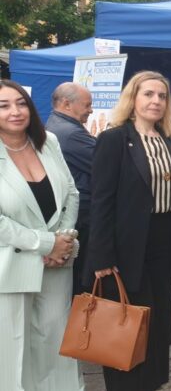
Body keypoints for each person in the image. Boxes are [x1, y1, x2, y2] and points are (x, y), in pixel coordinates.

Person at [84, 70, 171, 391]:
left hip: (163, 242)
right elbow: (100, 200)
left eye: (162, 96)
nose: (156, 101)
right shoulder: (114, 139)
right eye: (148, 94)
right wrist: (101, 255)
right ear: (133, 98)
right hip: (125, 245)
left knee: (158, 322)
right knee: (126, 324)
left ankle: (153, 382)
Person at [0, 79, 83, 391]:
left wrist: (64, 239)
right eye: (4, 105)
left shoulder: (48, 142)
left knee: (57, 344)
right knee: (11, 351)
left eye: (21, 103)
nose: (15, 111)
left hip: (57, 263)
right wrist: (46, 244)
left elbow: (71, 194)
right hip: (10, 266)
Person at [45, 82, 95, 295]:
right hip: (81, 218)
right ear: (66, 104)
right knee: (78, 284)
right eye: (87, 105)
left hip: (73, 215)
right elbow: (108, 163)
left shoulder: (55, 125)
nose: (91, 110)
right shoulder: (70, 133)